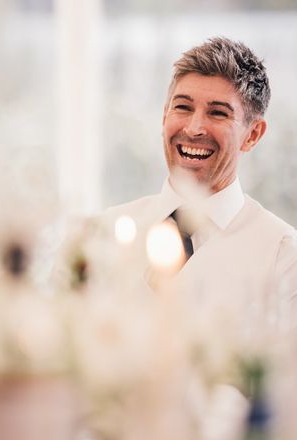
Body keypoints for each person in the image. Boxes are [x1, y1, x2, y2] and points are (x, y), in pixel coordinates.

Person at [102, 37, 297, 317]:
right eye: (183, 107)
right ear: (163, 117)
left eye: (217, 113)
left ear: (252, 135)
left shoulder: (283, 256)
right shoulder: (106, 231)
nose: (194, 129)